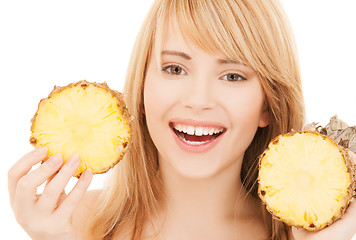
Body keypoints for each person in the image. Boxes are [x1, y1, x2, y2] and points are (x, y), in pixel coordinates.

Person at [7, 0, 356, 239]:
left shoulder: (305, 235)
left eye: (233, 75)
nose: (199, 101)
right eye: (175, 69)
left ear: (268, 105)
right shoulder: (74, 222)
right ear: (141, 91)